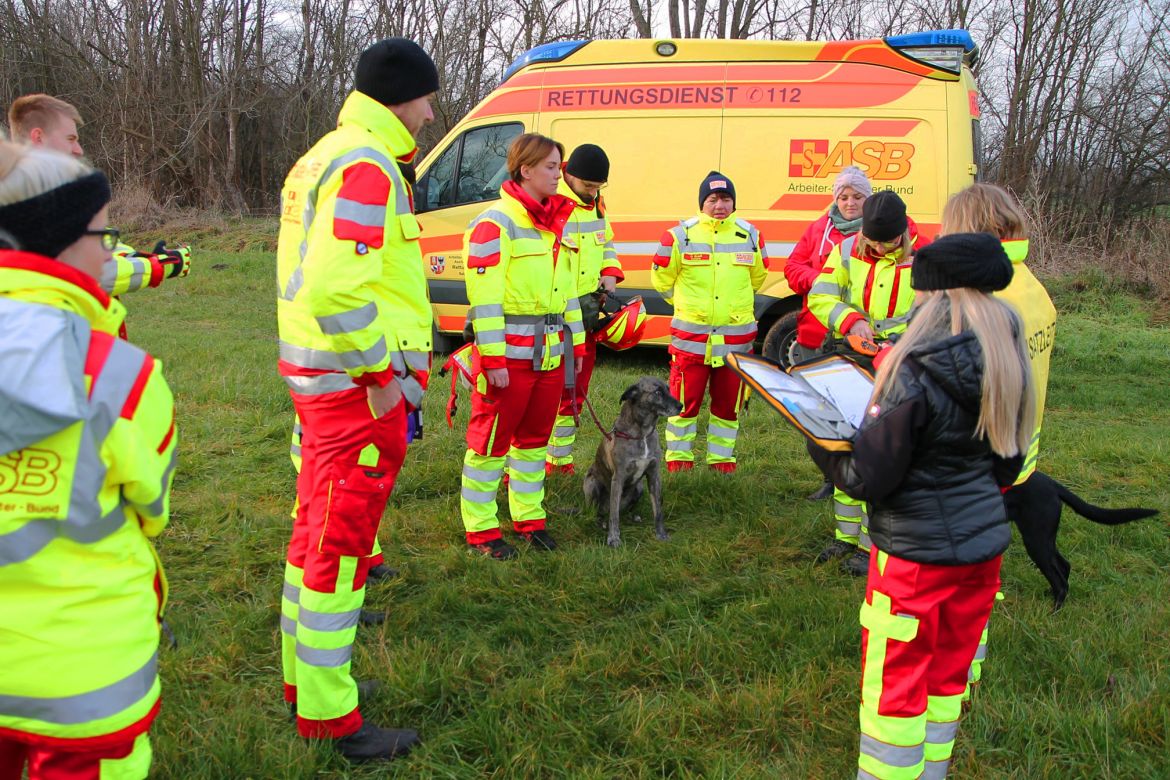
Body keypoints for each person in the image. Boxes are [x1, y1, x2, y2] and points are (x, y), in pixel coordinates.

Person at [811, 232, 1035, 780]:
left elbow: (867, 477)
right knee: (946, 683)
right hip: (982, 554)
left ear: (934, 296)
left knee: (895, 698)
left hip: (913, 561)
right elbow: (1009, 464)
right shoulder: (1008, 355)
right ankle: (933, 771)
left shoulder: (913, 370)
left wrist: (820, 440)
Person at [274, 37, 436, 761]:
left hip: (320, 382)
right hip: (352, 391)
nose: (433, 114)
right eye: (429, 98)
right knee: (339, 553)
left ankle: (304, 684)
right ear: (403, 94)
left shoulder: (327, 152)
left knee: (312, 534)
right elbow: (336, 285)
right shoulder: (369, 165)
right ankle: (332, 716)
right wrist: (381, 377)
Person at [0, 141, 177, 779]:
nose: (111, 254)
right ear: (58, 239)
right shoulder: (121, 376)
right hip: (85, 676)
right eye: (104, 235)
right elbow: (152, 506)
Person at [939, 183, 1057, 700]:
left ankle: (957, 678)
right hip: (1019, 452)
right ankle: (970, 671)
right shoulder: (1032, 285)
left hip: (977, 458)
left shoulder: (987, 298)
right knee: (983, 566)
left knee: (959, 578)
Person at [460, 132, 584, 559]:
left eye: (559, 167)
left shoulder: (557, 225)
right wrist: (491, 358)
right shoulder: (495, 224)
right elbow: (485, 301)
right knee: (489, 444)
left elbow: (566, 295)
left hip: (550, 357)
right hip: (507, 361)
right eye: (551, 167)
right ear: (525, 169)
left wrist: (578, 348)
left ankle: (528, 518)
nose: (558, 175)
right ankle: (481, 530)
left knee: (533, 442)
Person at [807, 190, 927, 575]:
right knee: (845, 447)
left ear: (902, 234)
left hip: (899, 365)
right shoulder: (845, 249)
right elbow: (820, 296)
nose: (876, 248)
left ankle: (870, 543)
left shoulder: (924, 256)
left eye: (885, 242)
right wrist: (850, 320)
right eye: (870, 241)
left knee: (881, 455)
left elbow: (936, 312)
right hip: (852, 358)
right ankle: (845, 535)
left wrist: (899, 344)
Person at [7, 94, 192, 297]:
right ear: (38, 137)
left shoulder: (47, 194)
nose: (78, 150)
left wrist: (133, 255)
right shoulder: (23, 202)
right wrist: (158, 266)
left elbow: (94, 239)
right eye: (70, 139)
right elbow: (88, 274)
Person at [651, 171, 768, 473]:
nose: (719, 205)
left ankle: (721, 462)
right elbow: (661, 280)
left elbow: (757, 278)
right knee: (682, 404)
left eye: (726, 199)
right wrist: (686, 306)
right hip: (692, 341)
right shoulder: (680, 236)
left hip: (735, 342)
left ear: (733, 203)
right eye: (713, 199)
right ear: (702, 202)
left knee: (728, 406)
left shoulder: (750, 235)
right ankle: (679, 461)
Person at [784, 166, 872, 500]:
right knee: (818, 413)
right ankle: (830, 477)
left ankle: (862, 475)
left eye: (857, 196)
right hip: (815, 335)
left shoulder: (880, 231)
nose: (850, 203)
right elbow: (792, 268)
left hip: (859, 341)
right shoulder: (820, 228)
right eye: (843, 196)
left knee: (857, 411)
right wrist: (823, 280)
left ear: (869, 198)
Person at [545, 143, 624, 475]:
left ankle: (559, 459)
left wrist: (610, 274)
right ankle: (525, 459)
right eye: (588, 186)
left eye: (598, 187)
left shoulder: (597, 206)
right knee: (546, 390)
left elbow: (606, 244)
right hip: (554, 314)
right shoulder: (550, 203)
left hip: (588, 312)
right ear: (570, 176)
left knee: (575, 389)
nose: (593, 193)